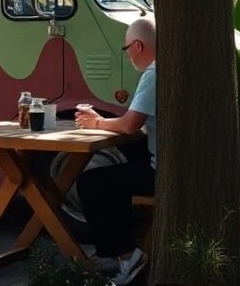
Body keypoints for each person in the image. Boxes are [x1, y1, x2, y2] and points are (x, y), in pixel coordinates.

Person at [74, 16, 157, 285]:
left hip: (165, 171)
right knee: (123, 168)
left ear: (137, 46)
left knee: (91, 182)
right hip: (182, 164)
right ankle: (122, 245)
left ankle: (127, 254)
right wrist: (101, 120)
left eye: (125, 49)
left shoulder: (154, 73)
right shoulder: (174, 67)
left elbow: (131, 124)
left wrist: (96, 122)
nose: (127, 55)